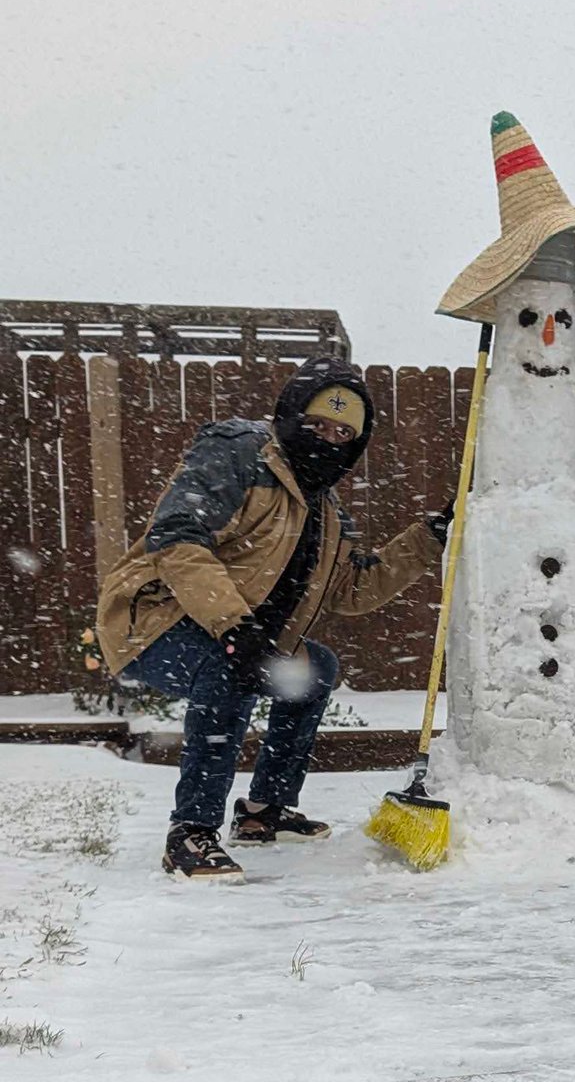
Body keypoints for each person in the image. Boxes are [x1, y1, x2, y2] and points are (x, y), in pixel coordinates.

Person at [96, 357, 451, 881]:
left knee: (316, 669)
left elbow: (353, 590)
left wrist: (431, 536)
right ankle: (190, 834)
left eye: (343, 433)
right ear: (291, 417)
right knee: (230, 668)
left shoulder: (326, 511)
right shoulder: (237, 454)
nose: (329, 441)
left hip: (242, 636)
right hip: (151, 626)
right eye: (318, 426)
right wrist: (236, 627)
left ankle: (265, 812)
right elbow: (178, 541)